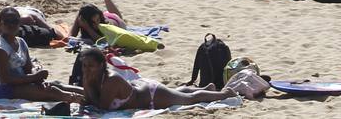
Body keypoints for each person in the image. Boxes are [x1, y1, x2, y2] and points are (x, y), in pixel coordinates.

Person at [77, 46, 229, 110]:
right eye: (84, 66)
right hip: (141, 88)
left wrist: (88, 86)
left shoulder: (111, 79)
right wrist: (87, 84)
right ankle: (206, 88)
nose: (86, 69)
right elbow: (89, 100)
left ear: (102, 65)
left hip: (151, 95)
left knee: (191, 99)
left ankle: (226, 94)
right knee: (177, 92)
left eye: (90, 66)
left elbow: (102, 108)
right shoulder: (92, 77)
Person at [0, 7, 84, 103]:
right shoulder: (0, 48)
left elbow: (28, 69)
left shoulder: (21, 42)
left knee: (55, 85)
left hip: (21, 83)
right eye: (7, 22)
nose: (11, 25)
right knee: (51, 92)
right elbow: (6, 80)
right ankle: (84, 100)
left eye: (15, 21)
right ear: (0, 24)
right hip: (3, 90)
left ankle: (89, 93)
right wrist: (35, 78)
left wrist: (39, 81)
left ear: (19, 23)